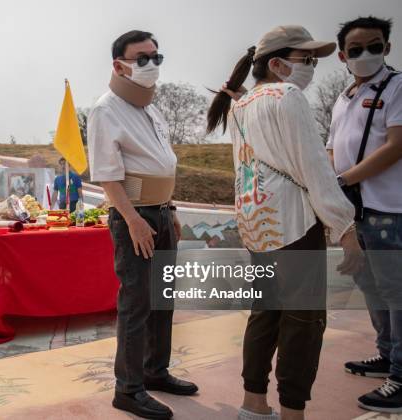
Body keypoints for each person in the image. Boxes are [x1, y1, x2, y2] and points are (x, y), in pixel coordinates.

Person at [207, 25, 363, 420]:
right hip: (293, 224)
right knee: (304, 321)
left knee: (266, 312)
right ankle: (293, 412)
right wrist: (345, 227)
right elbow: (314, 169)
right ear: (277, 64)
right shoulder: (287, 95)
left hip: (258, 223)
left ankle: (253, 404)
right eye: (306, 59)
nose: (312, 67)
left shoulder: (241, 105)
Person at [88, 30, 197, 420]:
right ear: (119, 65)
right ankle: (128, 389)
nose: (151, 65)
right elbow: (108, 175)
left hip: (161, 211)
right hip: (135, 216)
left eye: (156, 57)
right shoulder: (106, 110)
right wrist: (132, 219)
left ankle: (155, 370)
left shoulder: (150, 108)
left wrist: (172, 209)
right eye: (142, 58)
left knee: (162, 299)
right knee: (137, 303)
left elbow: (160, 164)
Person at [326, 16, 402, 413]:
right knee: (371, 287)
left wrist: (344, 180)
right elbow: (332, 147)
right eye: (355, 50)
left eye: (374, 46)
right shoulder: (345, 97)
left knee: (396, 291)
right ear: (343, 56)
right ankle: (387, 355)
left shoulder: (397, 87)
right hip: (354, 211)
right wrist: (327, 185)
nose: (365, 54)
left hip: (388, 207)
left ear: (387, 47)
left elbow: (396, 145)